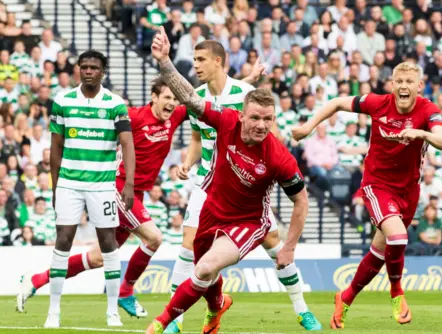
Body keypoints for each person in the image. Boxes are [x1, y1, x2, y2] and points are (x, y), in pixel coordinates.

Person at [145, 29, 311, 334]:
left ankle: (302, 309)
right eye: (193, 59)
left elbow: (269, 147)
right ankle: (188, 315)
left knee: (276, 248)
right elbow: (196, 136)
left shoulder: (243, 97)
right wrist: (187, 162)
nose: (195, 64)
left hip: (248, 191)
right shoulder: (201, 97)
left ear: (218, 61)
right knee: (191, 252)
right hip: (208, 183)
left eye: (201, 59)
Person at [292, 61, 442, 327]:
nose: (403, 86)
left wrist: (421, 133)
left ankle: (346, 297)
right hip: (377, 185)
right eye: (398, 81)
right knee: (398, 238)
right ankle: (397, 293)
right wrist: (308, 127)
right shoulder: (377, 103)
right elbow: (337, 103)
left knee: (380, 252)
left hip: (409, 191)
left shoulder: (428, 111)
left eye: (409, 82)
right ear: (392, 84)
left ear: (419, 87)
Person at [17, 78, 189, 319]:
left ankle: (37, 279)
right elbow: (101, 119)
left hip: (137, 193)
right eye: (166, 97)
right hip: (118, 188)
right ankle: (126, 292)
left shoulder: (174, 117)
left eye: (174, 99)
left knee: (97, 258)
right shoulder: (134, 117)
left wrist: (241, 83)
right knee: (154, 238)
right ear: (153, 97)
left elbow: (204, 101)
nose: (171, 103)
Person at [29, 50, 136, 328]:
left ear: (103, 71)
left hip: (102, 184)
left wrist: (128, 184)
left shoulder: (115, 104)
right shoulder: (63, 101)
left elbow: (127, 144)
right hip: (69, 182)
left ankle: (112, 311)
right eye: (84, 67)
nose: (88, 71)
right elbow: (56, 147)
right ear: (78, 70)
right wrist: (55, 185)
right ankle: (53, 311)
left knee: (108, 243)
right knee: (63, 239)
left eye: (94, 67)